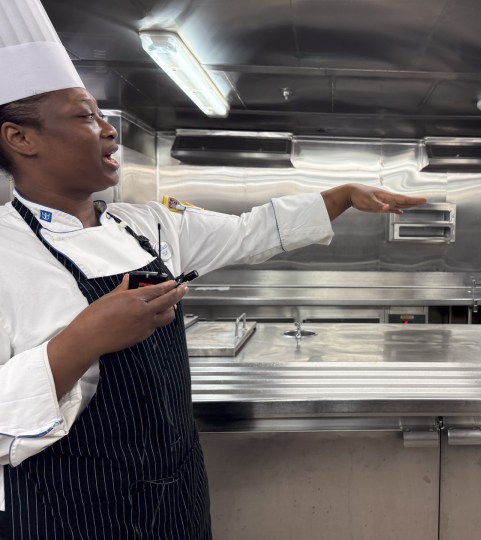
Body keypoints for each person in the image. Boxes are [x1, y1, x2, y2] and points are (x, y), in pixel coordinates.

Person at [0, 3, 426, 538]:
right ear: (21, 139)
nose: (110, 133)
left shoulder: (147, 225)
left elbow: (253, 230)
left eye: (103, 117)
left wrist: (341, 196)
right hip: (72, 508)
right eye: (86, 117)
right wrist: (83, 341)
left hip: (176, 491)